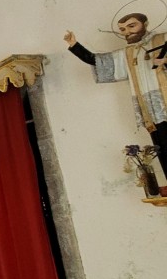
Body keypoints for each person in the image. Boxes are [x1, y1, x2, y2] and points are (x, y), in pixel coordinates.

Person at [65, 12, 167, 172]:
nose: (127, 32)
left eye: (132, 26)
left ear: (145, 24)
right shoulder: (128, 53)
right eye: (123, 29)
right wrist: (75, 46)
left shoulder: (163, 40)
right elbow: (99, 61)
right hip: (152, 112)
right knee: (164, 151)